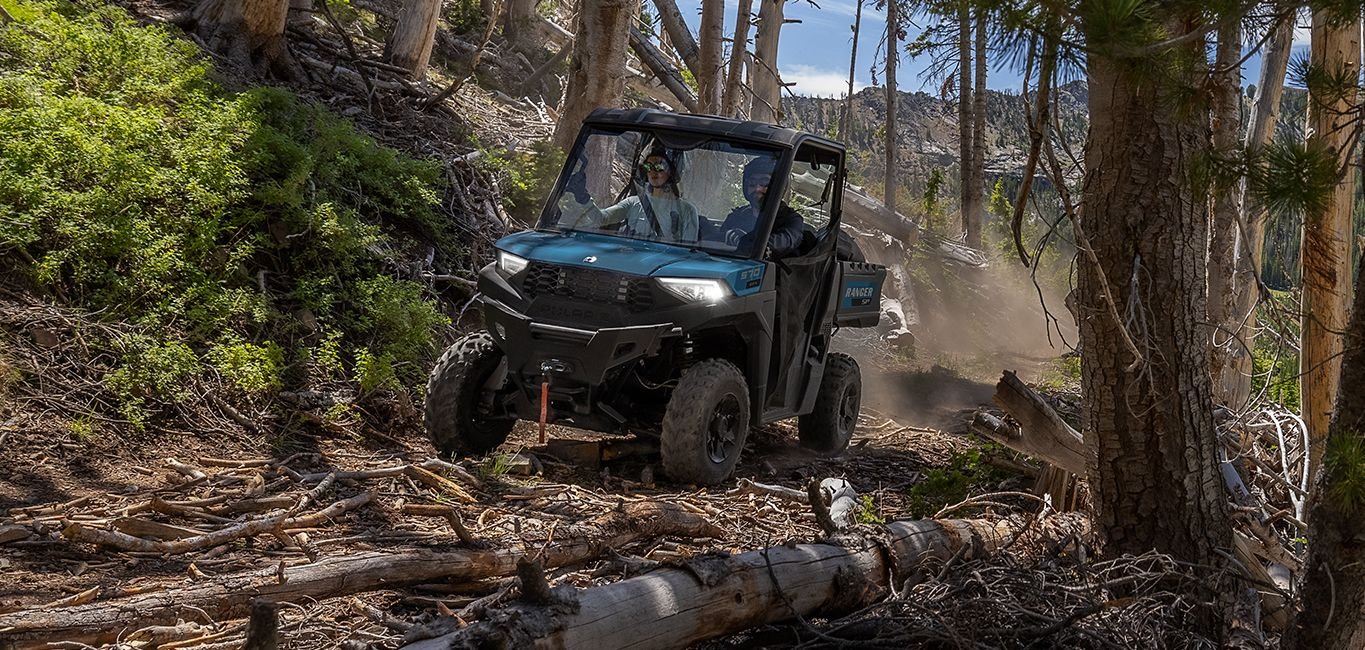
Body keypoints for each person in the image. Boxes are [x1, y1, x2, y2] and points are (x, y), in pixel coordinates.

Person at [559, 148, 700, 244]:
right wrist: (582, 196)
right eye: (648, 167)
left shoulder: (687, 210)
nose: (652, 172)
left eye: (659, 167)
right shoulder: (633, 203)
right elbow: (601, 219)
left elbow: (687, 251)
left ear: (671, 172)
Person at [718, 157, 804, 258]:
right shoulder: (737, 217)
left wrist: (747, 241)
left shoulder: (791, 220)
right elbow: (715, 242)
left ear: (777, 186)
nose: (757, 189)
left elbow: (782, 243)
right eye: (752, 183)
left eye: (764, 183)